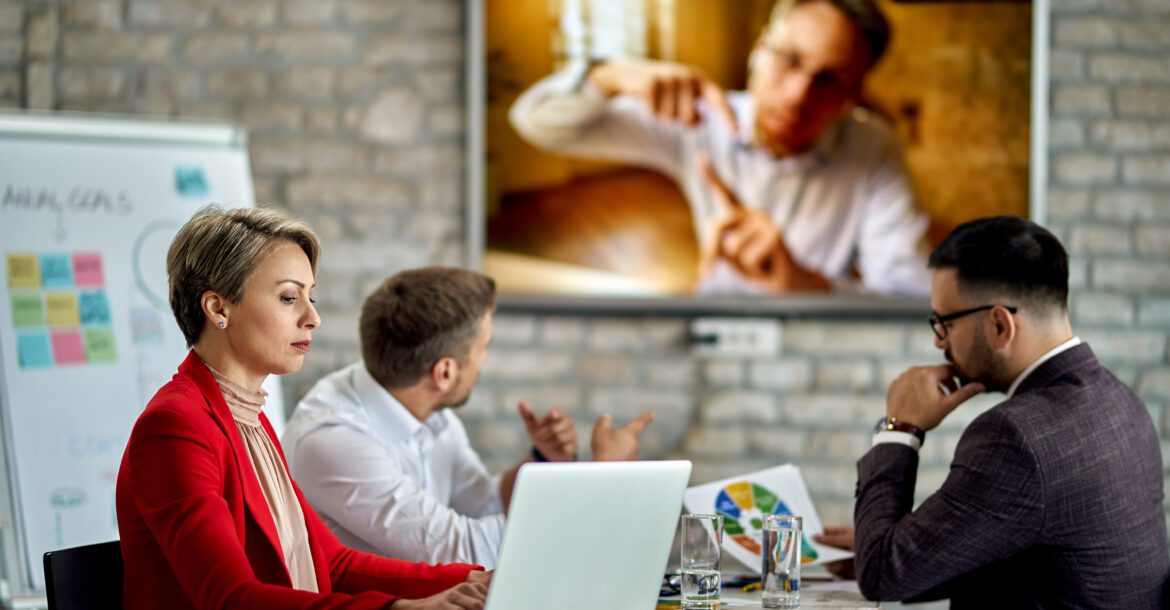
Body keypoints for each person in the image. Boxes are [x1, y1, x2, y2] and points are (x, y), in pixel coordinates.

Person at [116, 207, 489, 610]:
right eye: (289, 297)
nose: (312, 318)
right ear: (218, 308)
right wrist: (399, 608)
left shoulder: (249, 418)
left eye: (310, 297)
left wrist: (473, 579)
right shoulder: (175, 427)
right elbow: (230, 599)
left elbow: (332, 562)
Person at [816, 216, 1168, 607]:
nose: (938, 342)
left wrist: (900, 428)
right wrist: (900, 547)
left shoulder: (1014, 437)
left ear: (1000, 325)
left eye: (944, 323)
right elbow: (1040, 553)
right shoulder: (1120, 401)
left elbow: (882, 576)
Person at [508, 0, 930, 296]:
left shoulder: (874, 148)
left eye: (829, 79)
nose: (799, 96)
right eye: (789, 59)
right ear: (757, 50)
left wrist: (805, 286)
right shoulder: (701, 121)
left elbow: (908, 297)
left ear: (853, 94)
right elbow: (536, 124)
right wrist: (610, 76)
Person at [281, 266, 655, 569]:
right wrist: (607, 478)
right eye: (483, 348)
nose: (484, 361)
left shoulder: (426, 406)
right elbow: (466, 550)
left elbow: (482, 501)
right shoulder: (333, 440)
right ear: (444, 373)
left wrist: (540, 458)